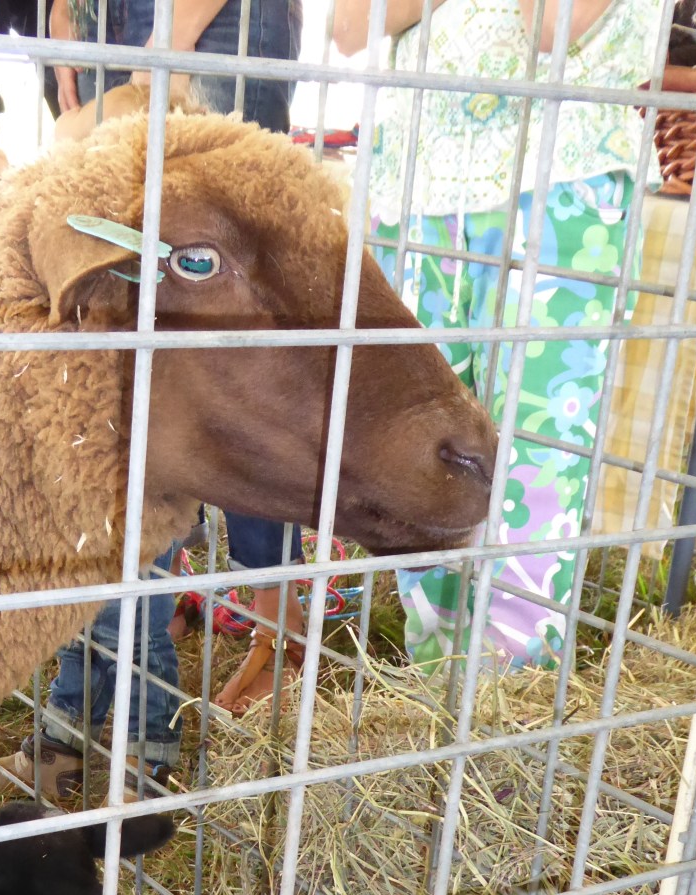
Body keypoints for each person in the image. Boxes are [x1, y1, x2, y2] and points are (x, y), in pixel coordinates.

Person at [333, 0, 659, 672]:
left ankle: (511, 683)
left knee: (538, 448)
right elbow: (350, 27)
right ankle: (435, 671)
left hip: (558, 177)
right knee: (415, 442)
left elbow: (552, 27)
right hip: (413, 192)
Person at [38, 0, 309, 727]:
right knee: (131, 364)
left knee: (228, 356)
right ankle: (154, 599)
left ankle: (278, 620)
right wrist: (71, 24)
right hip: (127, 32)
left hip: (203, 30)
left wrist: (167, 48)